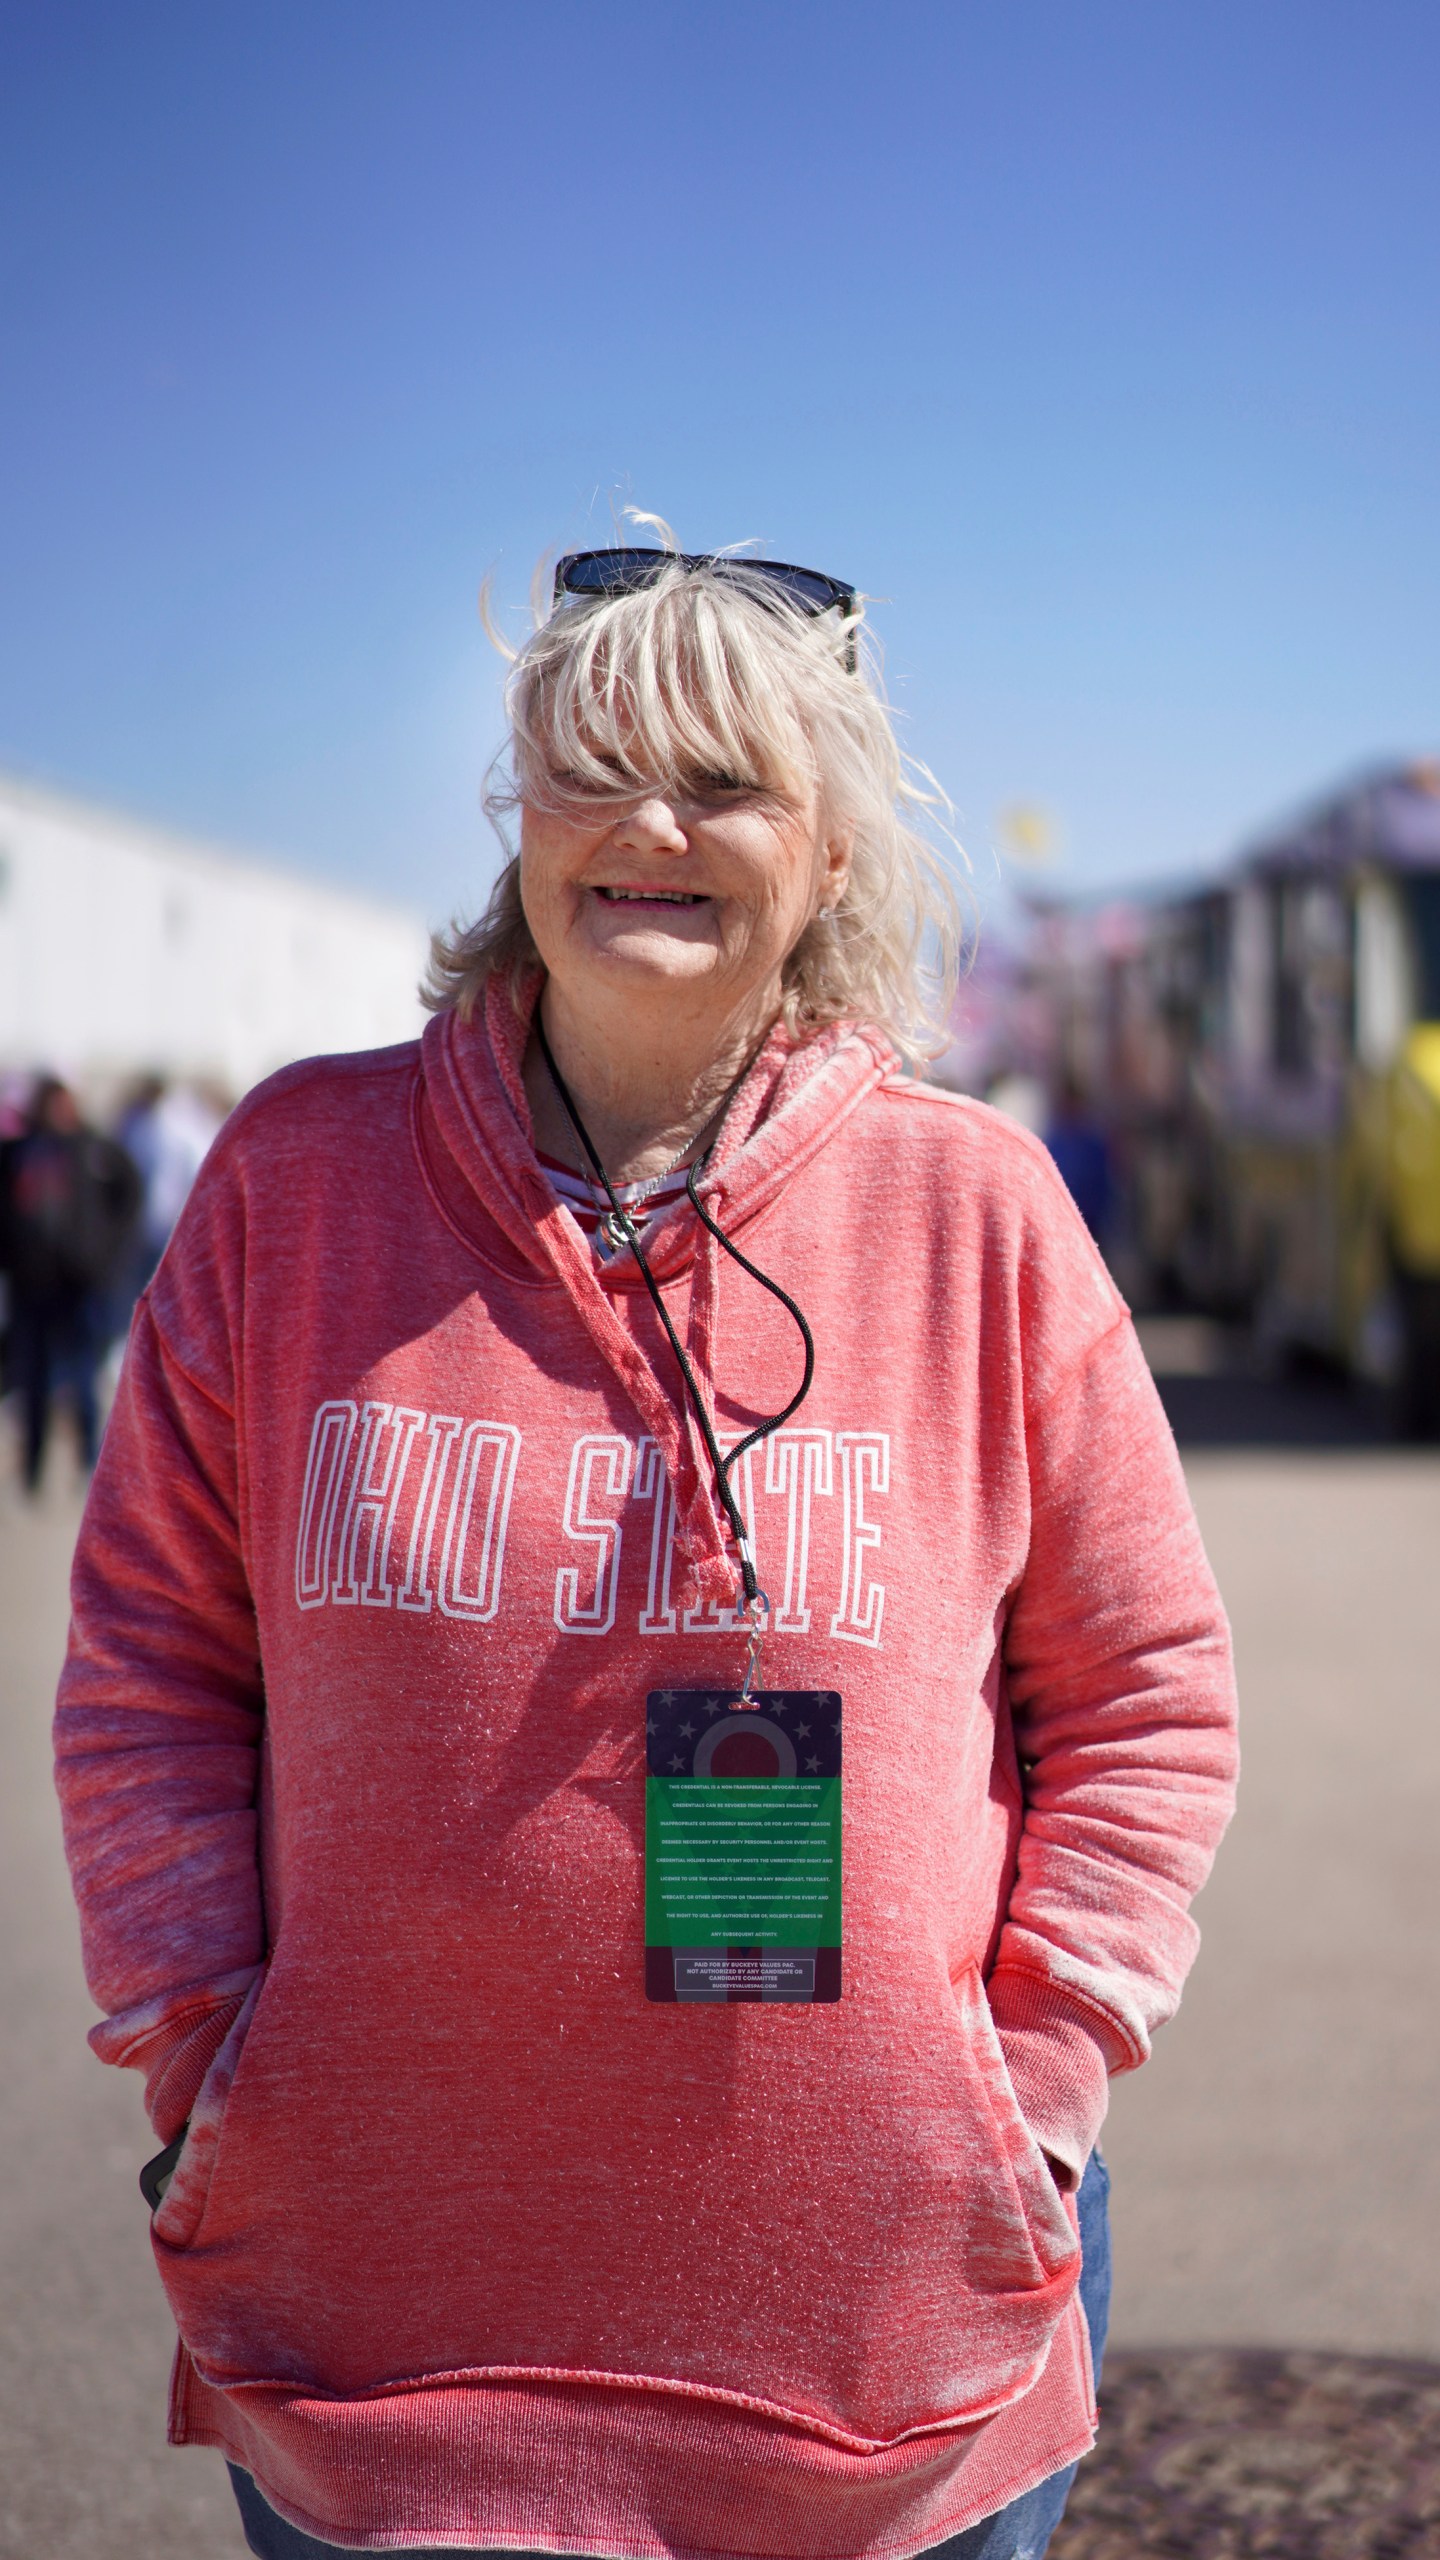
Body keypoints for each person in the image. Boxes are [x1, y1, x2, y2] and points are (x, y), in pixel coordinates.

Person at [54, 538, 1238, 2560]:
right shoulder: (295, 1182)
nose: (654, 825)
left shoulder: (981, 1215)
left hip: (890, 2362)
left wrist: (1024, 2094)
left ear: (837, 856)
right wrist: (203, 2050)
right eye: (596, 764)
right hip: (396, 2353)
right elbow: (153, 1656)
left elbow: (1148, 1692)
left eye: (728, 779)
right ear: (520, 824)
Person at [0, 1075, 140, 1491]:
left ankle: (89, 1465)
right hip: (31, 1286)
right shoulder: (18, 1153)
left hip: (80, 1284)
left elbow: (129, 1196)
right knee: (33, 1381)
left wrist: (105, 1256)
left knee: (82, 1377)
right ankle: (32, 1470)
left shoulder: (95, 1148)